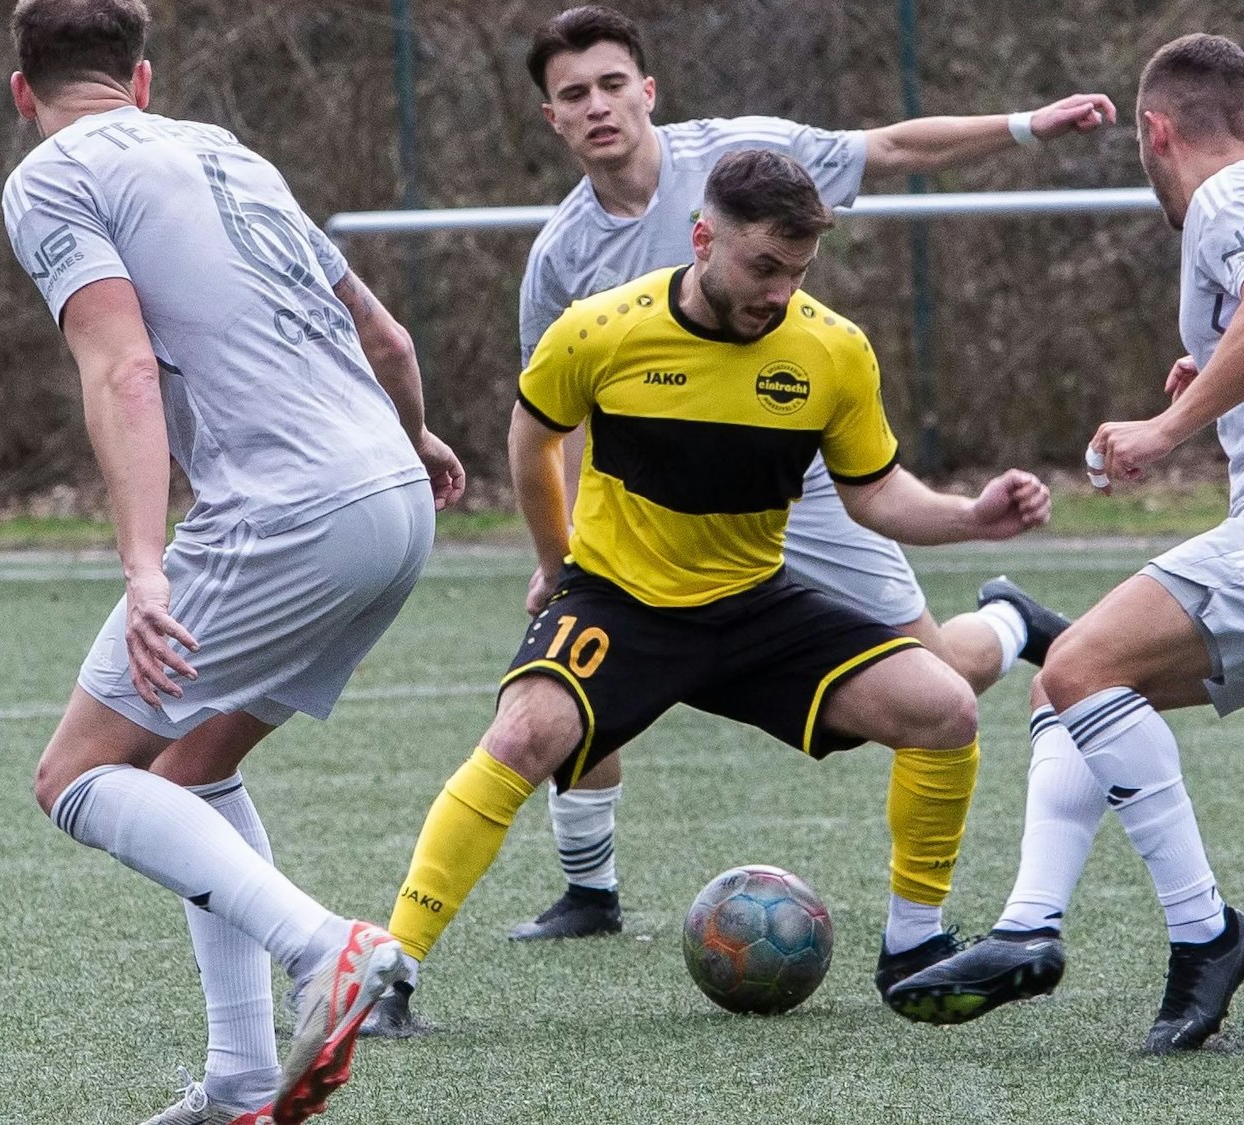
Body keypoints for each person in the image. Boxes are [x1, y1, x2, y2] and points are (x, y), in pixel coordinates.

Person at [380, 149, 1057, 1034]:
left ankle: (914, 947)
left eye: (797, 271)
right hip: (621, 603)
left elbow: (873, 493)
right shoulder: (601, 330)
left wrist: (973, 516)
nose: (778, 291)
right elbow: (532, 438)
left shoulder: (833, 351)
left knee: (944, 706)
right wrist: (556, 561)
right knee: (522, 735)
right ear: (703, 240)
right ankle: (389, 971)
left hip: (753, 607)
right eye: (762, 266)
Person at [884, 33, 1244, 1053]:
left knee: (1083, 661)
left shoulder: (1231, 199)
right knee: (1072, 685)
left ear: (1152, 131)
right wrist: (1242, 384)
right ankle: (1028, 928)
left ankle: (1206, 934)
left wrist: (1163, 430)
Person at [507, 2, 1111, 950]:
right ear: (552, 117)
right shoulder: (561, 256)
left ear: (648, 91)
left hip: (796, 473)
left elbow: (893, 148)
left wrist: (1026, 125)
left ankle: (1005, 622)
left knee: (932, 685)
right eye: (572, 94)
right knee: (570, 666)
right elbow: (563, 412)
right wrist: (570, 549)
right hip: (657, 499)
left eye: (613, 84)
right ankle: (592, 890)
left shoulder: (741, 159)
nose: (597, 107)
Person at [0, 1, 465, 1121]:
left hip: (288, 507)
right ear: (143, 78)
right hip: (393, 499)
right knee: (191, 769)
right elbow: (388, 340)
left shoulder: (49, 176)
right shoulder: (227, 150)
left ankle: (327, 950)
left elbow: (117, 372)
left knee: (74, 778)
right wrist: (411, 441)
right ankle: (240, 1080)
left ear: (23, 92)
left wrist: (145, 564)